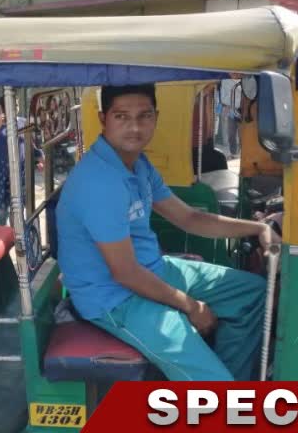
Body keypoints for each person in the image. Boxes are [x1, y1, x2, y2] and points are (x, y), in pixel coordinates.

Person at [56, 83, 277, 381]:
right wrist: (192, 307)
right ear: (102, 118)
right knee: (212, 385)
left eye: (144, 116)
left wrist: (259, 227)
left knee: (253, 295)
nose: (135, 127)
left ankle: (228, 378)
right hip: (113, 298)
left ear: (156, 117)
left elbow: (190, 218)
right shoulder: (99, 182)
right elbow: (125, 273)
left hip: (154, 269)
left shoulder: (138, 165)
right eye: (122, 116)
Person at [0, 96, 42, 225]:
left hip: (19, 173)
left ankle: (16, 238)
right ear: (2, 108)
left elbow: (31, 144)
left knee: (17, 210)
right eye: (11, 106)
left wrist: (40, 158)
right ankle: (1, 236)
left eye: (16, 106)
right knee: (0, 211)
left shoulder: (23, 123)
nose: (15, 109)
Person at [217, 77, 242, 158]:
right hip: (231, 111)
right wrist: (225, 105)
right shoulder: (225, 80)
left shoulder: (244, 80)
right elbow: (223, 96)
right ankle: (233, 153)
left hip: (243, 110)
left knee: (242, 134)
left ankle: (243, 153)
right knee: (231, 134)